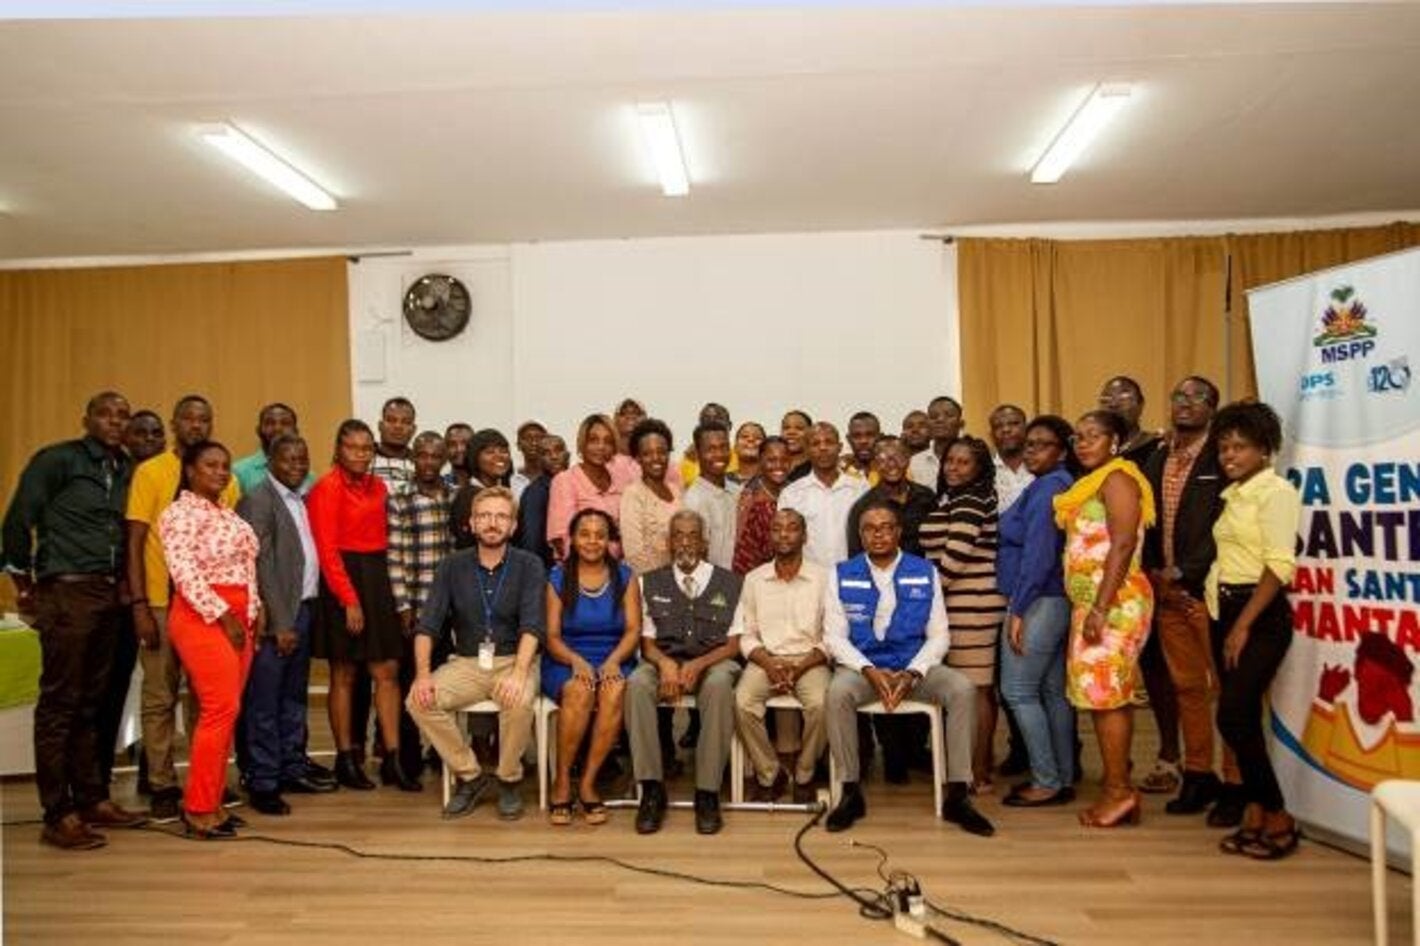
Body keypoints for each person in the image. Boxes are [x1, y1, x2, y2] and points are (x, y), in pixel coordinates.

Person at [2, 391, 147, 849]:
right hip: (66, 589)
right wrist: (25, 585)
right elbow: (17, 522)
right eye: (106, 414)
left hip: (109, 593)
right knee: (60, 705)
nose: (115, 421)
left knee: (93, 702)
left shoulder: (126, 469)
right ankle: (57, 812)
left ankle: (91, 799)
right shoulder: (57, 460)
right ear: (86, 419)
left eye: (122, 415)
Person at [822, 502, 993, 836]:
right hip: (863, 669)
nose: (879, 534)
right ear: (860, 535)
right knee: (837, 692)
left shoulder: (924, 571)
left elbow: (940, 634)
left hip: (914, 666)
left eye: (886, 527)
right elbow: (834, 637)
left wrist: (914, 672)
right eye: (870, 528)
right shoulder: (841, 573)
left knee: (962, 689)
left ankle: (958, 793)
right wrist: (868, 670)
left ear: (898, 532)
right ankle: (850, 791)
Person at [126, 394, 240, 823]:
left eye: (204, 419)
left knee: (207, 699)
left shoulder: (225, 479)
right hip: (162, 602)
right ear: (174, 424)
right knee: (160, 696)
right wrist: (139, 603)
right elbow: (136, 539)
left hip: (209, 609)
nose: (197, 425)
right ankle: (161, 783)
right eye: (189, 419)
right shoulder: (151, 471)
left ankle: (202, 784)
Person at [408, 487, 546, 821]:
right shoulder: (451, 566)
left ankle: (508, 779)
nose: (492, 523)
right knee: (418, 700)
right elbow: (427, 627)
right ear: (471, 523)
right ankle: (471, 776)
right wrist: (423, 676)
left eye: (501, 516)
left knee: (518, 700)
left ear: (513, 525)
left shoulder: (529, 564)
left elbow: (532, 626)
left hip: (515, 659)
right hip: (467, 662)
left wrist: (518, 673)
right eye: (484, 516)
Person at [1205, 401, 1302, 860]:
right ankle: (1257, 811)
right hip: (1224, 611)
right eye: (1224, 447)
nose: (1229, 455)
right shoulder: (1234, 495)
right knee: (1240, 719)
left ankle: (1279, 816)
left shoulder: (1276, 492)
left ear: (1264, 449)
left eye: (1240, 447)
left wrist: (1242, 625)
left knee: (1234, 715)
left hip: (1259, 617)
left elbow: (1279, 565)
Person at [1142, 377, 1238, 821]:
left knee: (1227, 691)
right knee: (1186, 688)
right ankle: (1199, 774)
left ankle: (1236, 781)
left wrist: (1185, 572)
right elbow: (1146, 522)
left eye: (1198, 397)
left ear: (1212, 409)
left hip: (1207, 592)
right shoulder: (1159, 456)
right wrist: (1157, 575)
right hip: (1165, 592)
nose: (1186, 403)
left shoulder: (1222, 456)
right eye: (1179, 395)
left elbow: (1226, 525)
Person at [1054, 409, 1156, 828]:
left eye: (1093, 435)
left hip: (1114, 602)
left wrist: (1100, 606)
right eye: (1078, 436)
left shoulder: (1118, 478)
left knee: (1104, 694)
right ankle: (1120, 788)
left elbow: (1124, 542)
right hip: (1095, 602)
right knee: (1108, 696)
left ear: (1115, 441)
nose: (1083, 443)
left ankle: (1118, 792)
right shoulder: (1091, 482)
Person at [307, 420, 419, 793]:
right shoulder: (326, 488)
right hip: (343, 579)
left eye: (366, 448)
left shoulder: (380, 487)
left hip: (378, 577)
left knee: (387, 669)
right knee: (345, 673)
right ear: (338, 450)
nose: (360, 454)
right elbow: (326, 550)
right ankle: (345, 758)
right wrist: (349, 600)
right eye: (352, 447)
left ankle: (392, 758)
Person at [157, 441, 261, 838]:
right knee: (220, 709)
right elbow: (185, 574)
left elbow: (245, 568)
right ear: (190, 471)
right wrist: (224, 616)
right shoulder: (179, 513)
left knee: (226, 712)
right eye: (210, 465)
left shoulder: (226, 512)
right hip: (203, 616)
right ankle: (198, 809)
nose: (220, 472)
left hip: (241, 616)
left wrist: (254, 609)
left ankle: (213, 802)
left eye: (225, 466)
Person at [237, 434, 337, 816]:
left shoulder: (302, 497)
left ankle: (291, 767)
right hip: (279, 616)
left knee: (293, 697)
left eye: (302, 459)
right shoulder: (259, 500)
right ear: (271, 463)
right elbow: (259, 564)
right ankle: (263, 781)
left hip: (304, 609)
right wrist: (280, 622)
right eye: (288, 459)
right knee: (264, 701)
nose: (296, 466)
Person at [626, 511, 743, 835]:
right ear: (668, 542)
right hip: (663, 660)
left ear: (704, 543)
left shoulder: (731, 583)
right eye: (678, 535)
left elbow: (733, 645)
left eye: (693, 535)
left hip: (713, 661)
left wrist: (698, 664)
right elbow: (646, 643)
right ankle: (652, 789)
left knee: (719, 685)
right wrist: (665, 664)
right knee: (636, 684)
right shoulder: (648, 582)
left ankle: (707, 792)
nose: (685, 542)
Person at [1098, 375, 1179, 797]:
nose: (1115, 402)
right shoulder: (1095, 454)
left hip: (1145, 573)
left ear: (1142, 403)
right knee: (1110, 673)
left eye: (1125, 396)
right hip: (1101, 578)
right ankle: (1118, 762)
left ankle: (1169, 755)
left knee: (1157, 668)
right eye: (1108, 397)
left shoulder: (1159, 449)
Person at [541, 509, 641, 826]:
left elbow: (633, 631)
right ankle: (561, 782)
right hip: (566, 658)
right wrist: (576, 661)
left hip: (614, 656)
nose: (592, 541)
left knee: (615, 689)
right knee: (579, 690)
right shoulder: (557, 578)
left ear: (610, 540)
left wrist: (613, 661)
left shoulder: (625, 576)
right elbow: (551, 637)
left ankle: (587, 782)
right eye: (584, 534)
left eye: (600, 535)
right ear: (572, 539)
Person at [919, 435, 1006, 790]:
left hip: (973, 605)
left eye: (964, 462)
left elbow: (954, 559)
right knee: (973, 687)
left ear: (980, 469)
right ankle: (976, 765)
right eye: (950, 461)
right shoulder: (957, 498)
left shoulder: (970, 500)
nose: (953, 468)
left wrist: (918, 600)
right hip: (957, 603)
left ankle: (977, 773)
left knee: (976, 688)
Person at [998, 416, 1077, 807]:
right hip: (1052, 599)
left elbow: (1039, 555)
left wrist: (1019, 608)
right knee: (1051, 692)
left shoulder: (1049, 488)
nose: (1031, 451)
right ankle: (1062, 776)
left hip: (1038, 600)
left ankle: (1046, 781)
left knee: (1018, 691)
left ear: (1061, 451)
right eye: (1028, 444)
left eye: (1042, 444)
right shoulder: (1052, 483)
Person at [733, 509, 829, 804]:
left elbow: (832, 634)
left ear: (805, 536)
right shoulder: (754, 579)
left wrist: (800, 667)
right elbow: (746, 633)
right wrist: (768, 663)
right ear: (770, 536)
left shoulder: (824, 578)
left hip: (810, 660)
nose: (784, 534)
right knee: (742, 702)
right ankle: (770, 774)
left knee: (823, 703)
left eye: (792, 528)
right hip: (766, 659)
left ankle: (805, 772)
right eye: (777, 529)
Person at [99, 408, 164, 789]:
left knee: (159, 690)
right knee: (112, 687)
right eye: (140, 433)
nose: (149, 440)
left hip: (158, 600)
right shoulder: (116, 477)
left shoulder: (172, 475)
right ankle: (99, 779)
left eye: (156, 433)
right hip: (119, 601)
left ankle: (151, 774)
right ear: (126, 438)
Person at [387, 431, 455, 783]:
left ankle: (442, 755)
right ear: (413, 458)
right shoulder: (399, 498)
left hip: (448, 610)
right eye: (422, 455)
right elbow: (394, 556)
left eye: (435, 456)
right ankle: (408, 760)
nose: (428, 462)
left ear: (444, 460)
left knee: (443, 685)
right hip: (414, 608)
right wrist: (402, 606)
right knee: (410, 684)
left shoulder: (453, 497)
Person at [778, 422, 867, 567]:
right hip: (808, 576)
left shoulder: (860, 488)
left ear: (839, 447)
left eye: (829, 442)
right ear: (807, 450)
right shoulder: (791, 493)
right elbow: (786, 540)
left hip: (853, 573)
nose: (823, 448)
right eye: (815, 444)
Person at [547, 414, 634, 561]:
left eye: (608, 441)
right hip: (579, 568)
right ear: (582, 443)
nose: (601, 447)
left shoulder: (622, 479)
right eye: (593, 440)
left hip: (620, 567)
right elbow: (560, 539)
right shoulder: (565, 480)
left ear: (614, 447)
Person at [845, 436, 936, 557]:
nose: (892, 464)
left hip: (923, 568)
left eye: (898, 457)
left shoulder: (926, 496)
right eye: (883, 459)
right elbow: (856, 555)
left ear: (908, 459)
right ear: (874, 465)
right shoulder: (863, 506)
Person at [619, 418, 682, 575]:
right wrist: (663, 583)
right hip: (650, 583)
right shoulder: (633, 495)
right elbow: (634, 555)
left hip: (681, 580)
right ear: (638, 458)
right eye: (647, 453)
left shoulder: (676, 491)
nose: (656, 458)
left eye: (661, 452)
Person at [683, 420, 741, 571]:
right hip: (715, 582)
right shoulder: (693, 501)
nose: (719, 455)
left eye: (724, 447)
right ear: (697, 453)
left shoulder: (738, 491)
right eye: (711, 449)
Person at [732, 436, 792, 574]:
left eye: (784, 460)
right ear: (760, 461)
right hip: (757, 575)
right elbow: (742, 550)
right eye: (771, 460)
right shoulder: (748, 498)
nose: (778, 465)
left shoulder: (797, 493)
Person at [516, 433, 566, 569]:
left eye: (558, 450)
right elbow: (531, 541)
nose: (554, 456)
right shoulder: (535, 492)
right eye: (546, 453)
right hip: (548, 570)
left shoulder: (575, 482)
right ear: (539, 459)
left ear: (567, 454)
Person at [232, 403, 301, 495]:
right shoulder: (239, 472)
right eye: (270, 423)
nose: (277, 428)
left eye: (285, 423)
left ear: (295, 431)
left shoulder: (308, 477)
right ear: (259, 430)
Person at [910, 396, 964, 490]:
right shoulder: (914, 463)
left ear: (961, 424)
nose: (940, 420)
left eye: (949, 415)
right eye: (933, 416)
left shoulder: (973, 459)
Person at [680, 402, 737, 486]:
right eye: (706, 421)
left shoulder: (742, 454)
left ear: (729, 425)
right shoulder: (690, 458)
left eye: (718, 419)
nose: (712, 424)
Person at [988, 405, 1033, 513]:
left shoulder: (1042, 467)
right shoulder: (984, 471)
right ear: (991, 435)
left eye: (1014, 424)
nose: (1006, 430)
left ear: (1027, 428)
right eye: (998, 426)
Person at [842, 411, 881, 484]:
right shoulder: (838, 471)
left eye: (870, 435)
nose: (863, 441)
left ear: (880, 437)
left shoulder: (894, 470)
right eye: (857, 436)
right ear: (849, 439)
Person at [509, 421, 546, 499]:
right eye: (528, 438)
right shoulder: (511, 478)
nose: (534, 443)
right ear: (519, 445)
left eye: (539, 438)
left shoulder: (555, 477)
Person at [779, 410, 813, 482]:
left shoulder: (817, 467)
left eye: (799, 428)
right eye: (786, 428)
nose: (791, 432)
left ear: (811, 433)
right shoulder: (772, 467)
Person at [729, 422, 766, 486]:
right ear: (735, 447)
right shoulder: (721, 481)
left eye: (758, 438)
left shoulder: (773, 480)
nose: (751, 439)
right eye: (744, 436)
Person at [443, 423, 475, 490]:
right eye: (452, 444)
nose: (459, 449)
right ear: (445, 449)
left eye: (464, 443)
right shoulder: (441, 484)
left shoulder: (484, 483)